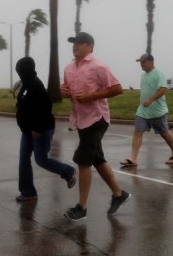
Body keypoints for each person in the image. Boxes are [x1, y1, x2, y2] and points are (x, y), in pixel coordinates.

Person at [60, 32, 131, 221]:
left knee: (83, 161)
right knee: (97, 159)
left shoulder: (98, 66)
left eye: (80, 43)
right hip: (80, 119)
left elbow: (117, 88)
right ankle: (119, 194)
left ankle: (81, 208)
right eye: (74, 43)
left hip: (97, 119)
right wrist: (64, 91)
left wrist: (92, 96)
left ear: (90, 46)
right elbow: (67, 90)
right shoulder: (68, 68)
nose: (75, 46)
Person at [14, 56, 76, 202]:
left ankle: (68, 171)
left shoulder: (36, 85)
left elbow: (45, 109)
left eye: (21, 71)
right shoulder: (26, 84)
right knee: (24, 160)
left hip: (40, 130)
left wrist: (37, 129)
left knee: (41, 160)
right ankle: (28, 192)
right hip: (27, 131)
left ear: (27, 70)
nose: (19, 74)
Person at [120, 53, 173, 167]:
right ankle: (132, 158)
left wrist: (151, 100)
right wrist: (145, 102)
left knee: (164, 133)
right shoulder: (143, 75)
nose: (141, 65)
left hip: (157, 111)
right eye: (140, 63)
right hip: (143, 111)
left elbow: (163, 89)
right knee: (137, 132)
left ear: (151, 62)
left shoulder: (158, 73)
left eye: (143, 62)